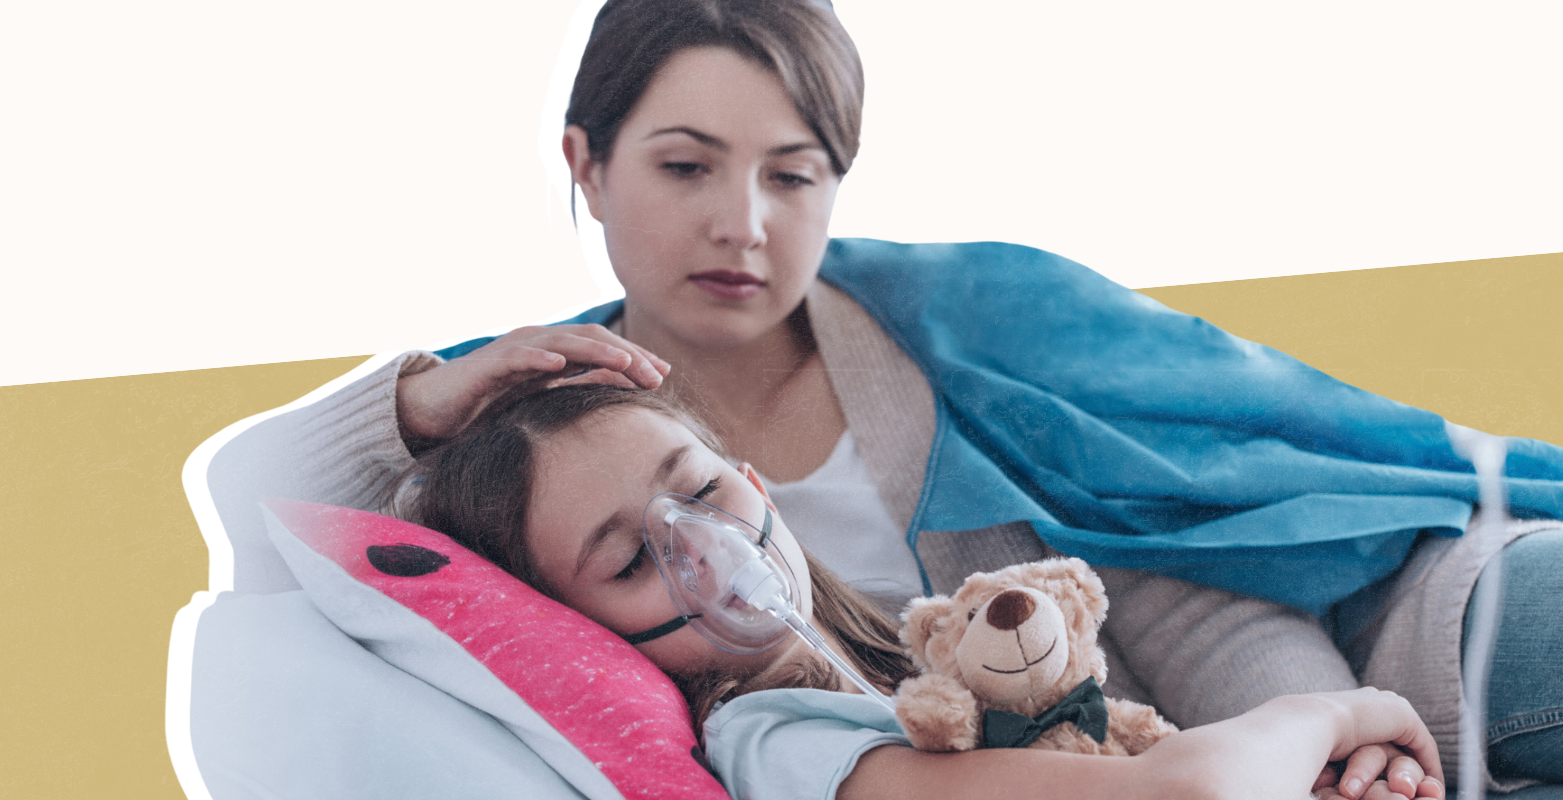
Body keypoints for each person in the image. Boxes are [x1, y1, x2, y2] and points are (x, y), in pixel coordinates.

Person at [204, 0, 1563, 791]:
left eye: (792, 175)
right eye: (685, 167)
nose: (743, 222)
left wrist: (1335, 744)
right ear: (587, 161)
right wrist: (418, 403)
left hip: (1394, 637)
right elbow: (255, 516)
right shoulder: (550, 449)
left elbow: (1178, 582)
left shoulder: (960, 325)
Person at [398, 381, 1447, 800]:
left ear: (755, 482)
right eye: (631, 561)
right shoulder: (776, 739)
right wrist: (1337, 709)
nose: (707, 552)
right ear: (578, 633)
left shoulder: (901, 673)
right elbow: (1188, 792)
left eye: (703, 491)